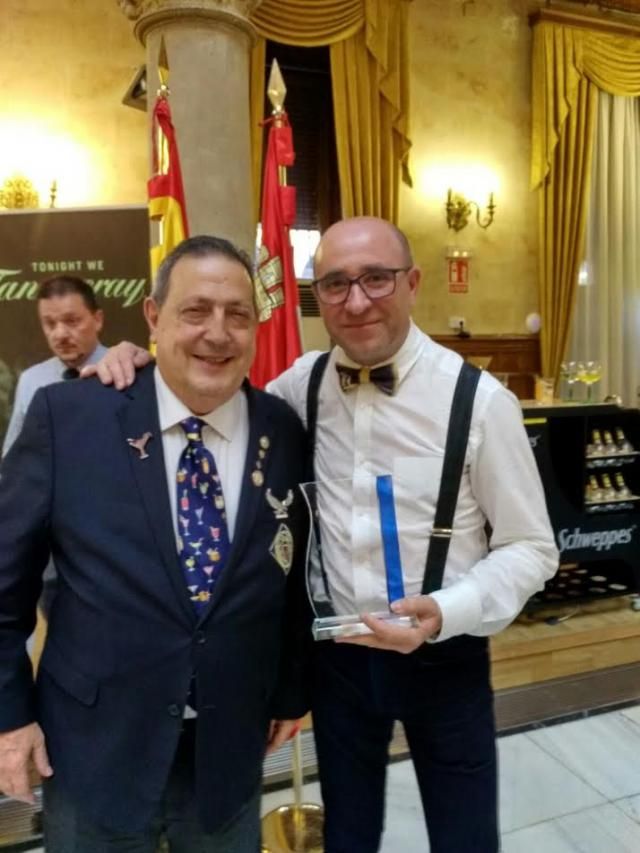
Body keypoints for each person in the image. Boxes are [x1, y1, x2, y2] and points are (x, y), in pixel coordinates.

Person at [85, 217, 559, 853]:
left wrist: (447, 612)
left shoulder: (479, 402)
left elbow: (532, 547)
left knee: (465, 836)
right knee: (347, 834)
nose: (356, 300)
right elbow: (207, 391)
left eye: (376, 279)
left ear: (413, 283)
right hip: (336, 661)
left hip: (445, 656)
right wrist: (136, 359)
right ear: (317, 294)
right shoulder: (297, 388)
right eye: (336, 283)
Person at [0, 235, 310, 853]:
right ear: (152, 317)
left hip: (228, 754)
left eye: (237, 315)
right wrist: (9, 717)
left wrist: (291, 691)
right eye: (195, 311)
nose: (217, 333)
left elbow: (293, 577)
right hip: (95, 750)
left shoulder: (284, 429)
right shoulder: (70, 418)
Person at [2, 275, 107, 455]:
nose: (60, 334)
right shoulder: (31, 381)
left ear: (98, 320)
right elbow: (13, 458)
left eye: (72, 321)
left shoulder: (126, 370)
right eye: (50, 323)